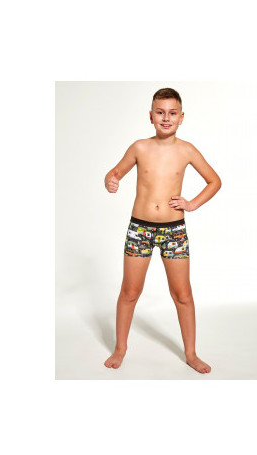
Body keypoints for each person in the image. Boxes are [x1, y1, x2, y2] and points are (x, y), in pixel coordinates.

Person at [103, 88, 221, 374]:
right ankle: (120, 348)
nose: (166, 118)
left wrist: (191, 204)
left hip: (173, 231)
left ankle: (191, 353)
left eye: (172, 113)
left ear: (181, 117)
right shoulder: (139, 147)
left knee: (182, 294)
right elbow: (114, 173)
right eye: (160, 112)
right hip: (140, 229)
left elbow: (214, 181)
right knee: (130, 291)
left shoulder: (187, 150)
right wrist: (111, 180)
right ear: (151, 116)